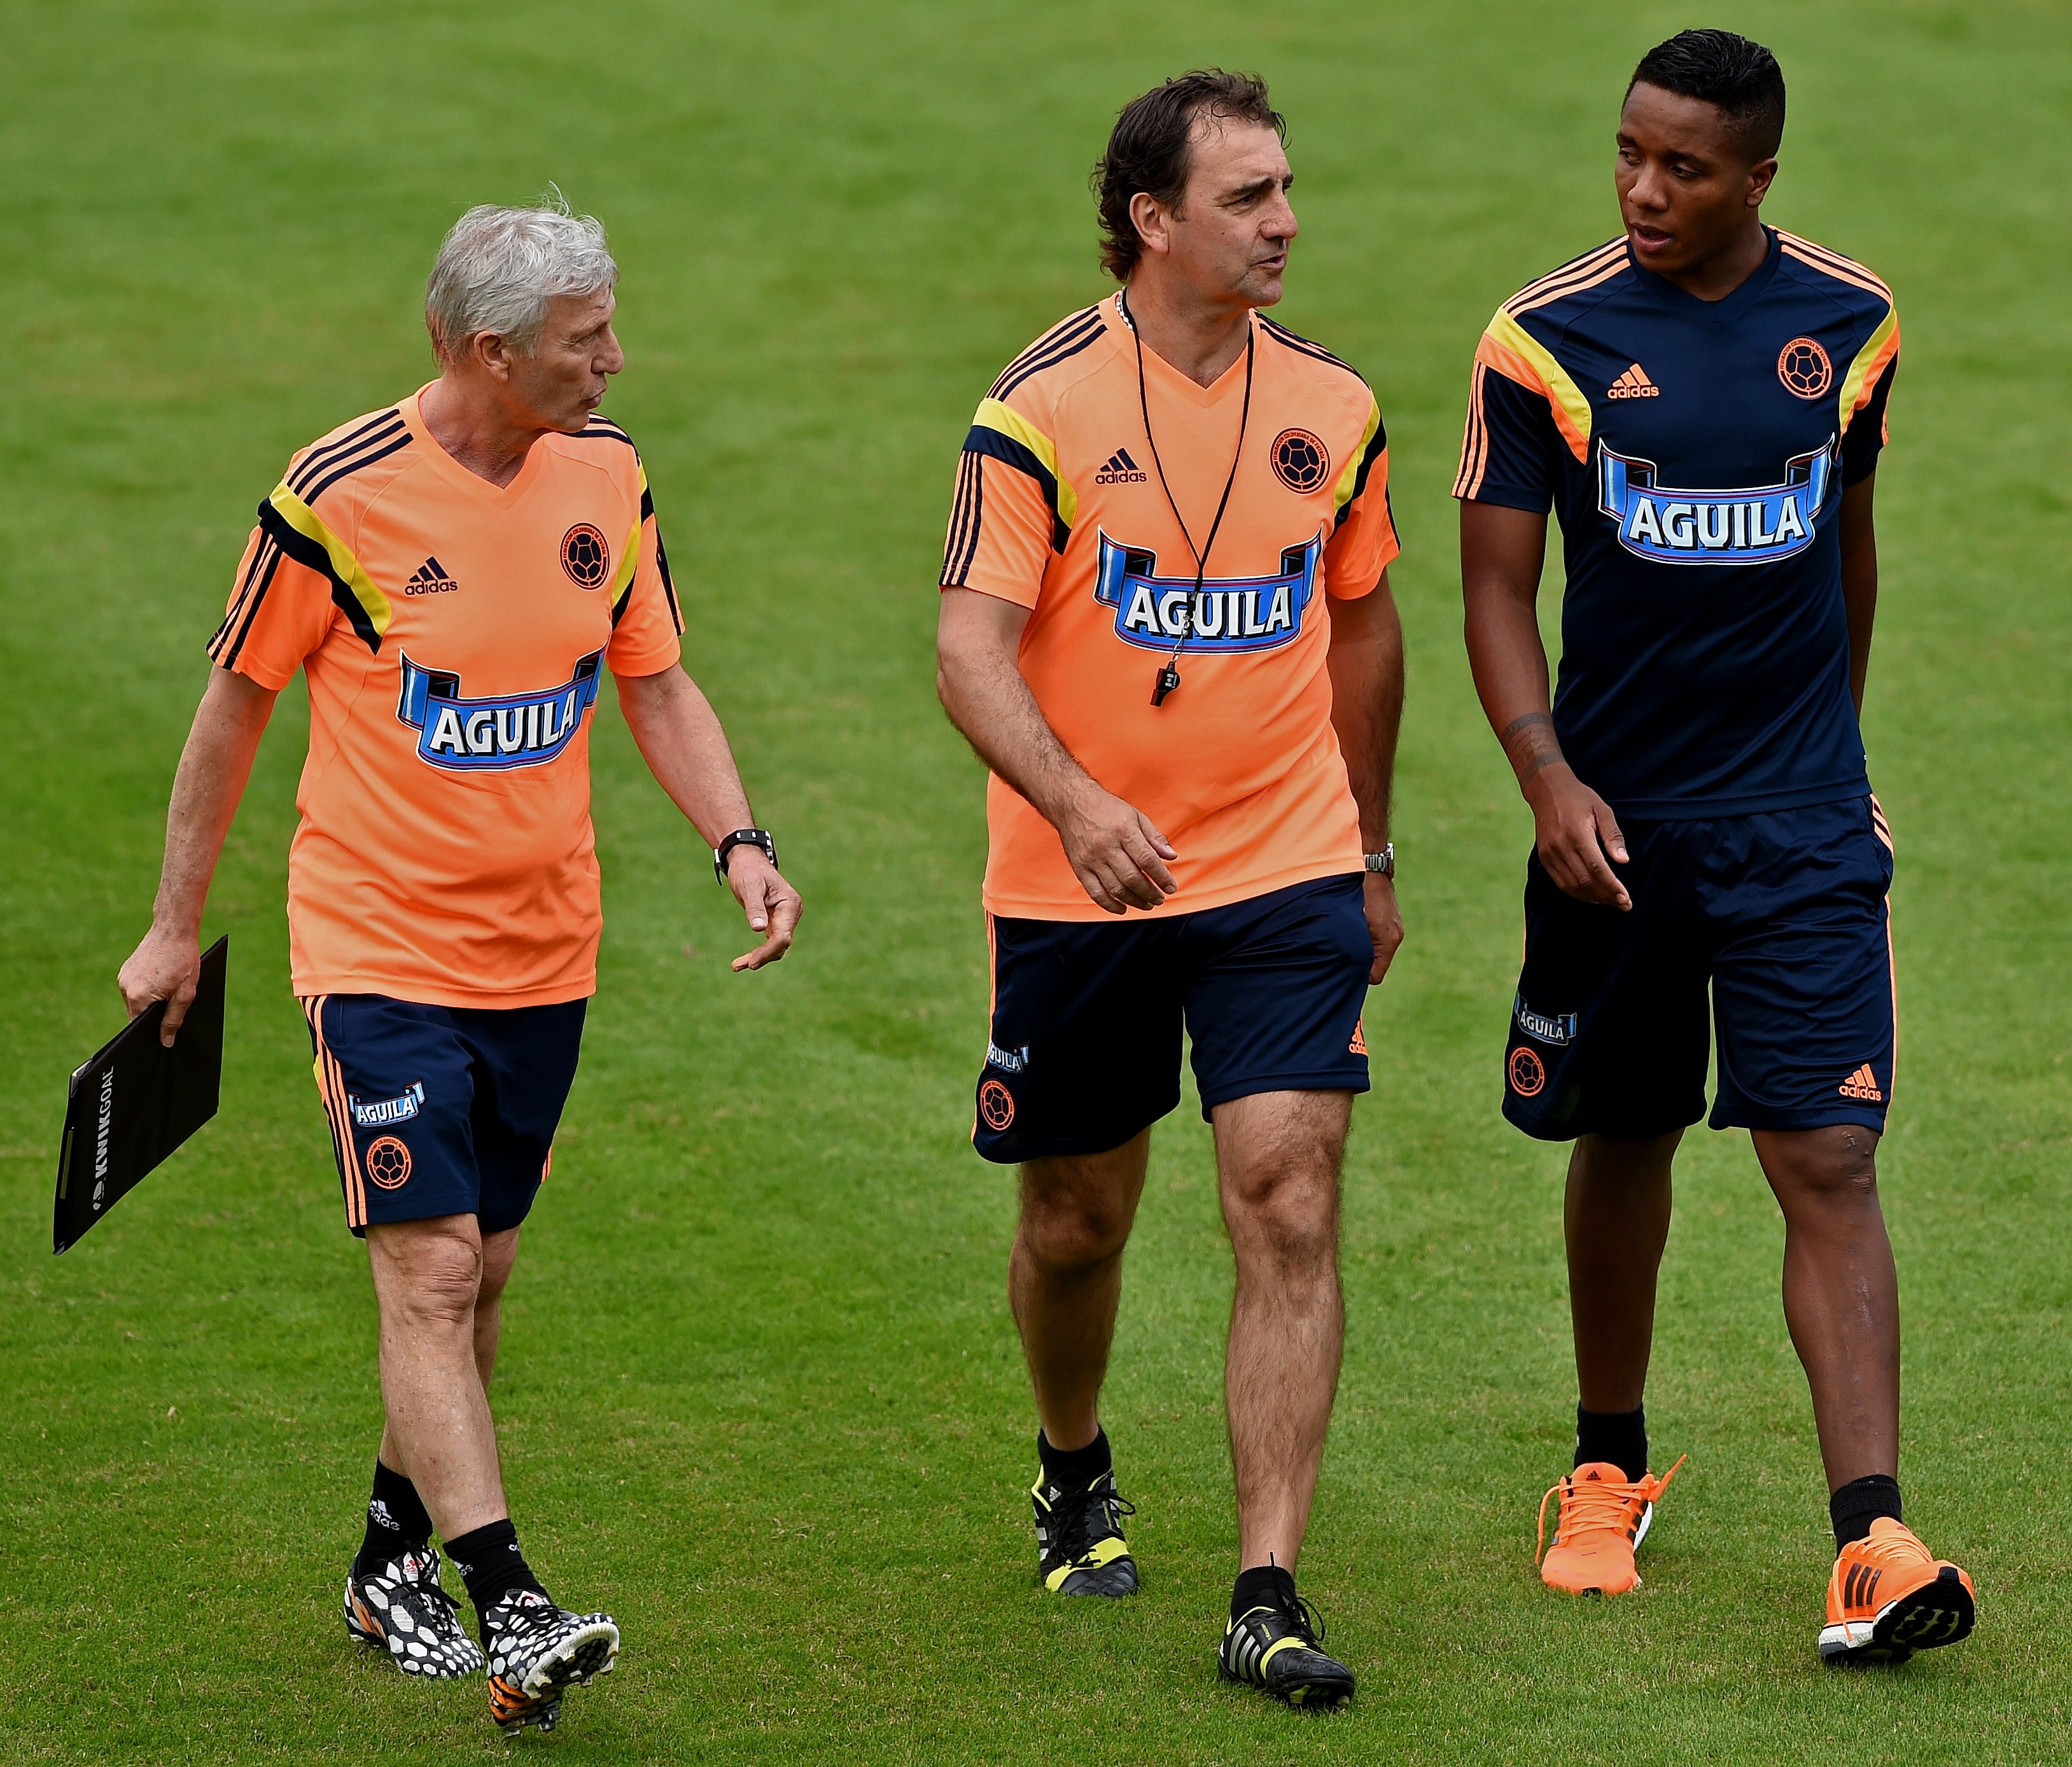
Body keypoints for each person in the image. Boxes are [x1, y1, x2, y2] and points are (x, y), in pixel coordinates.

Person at [116, 196, 802, 1735]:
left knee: (478, 1279)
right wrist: (173, 925)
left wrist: (737, 839)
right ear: (489, 350)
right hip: (375, 942)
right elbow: (232, 711)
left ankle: (386, 1563)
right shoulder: (335, 497)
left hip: (545, 952)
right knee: (425, 1269)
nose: (617, 361)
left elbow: (656, 678)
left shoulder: (605, 480)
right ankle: (511, 1604)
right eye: (588, 340)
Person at [1456, 30, 1973, 1663]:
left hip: (1800, 824)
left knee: (1823, 1155)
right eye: (1626, 152)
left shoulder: (1849, 324)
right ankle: (1603, 1463)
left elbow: (1848, 548)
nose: (1641, 189)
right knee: (1626, 1139)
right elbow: (1489, 588)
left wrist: (1835, 754)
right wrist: (1543, 778)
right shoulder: (1541, 338)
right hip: (1609, 826)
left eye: (1682, 166)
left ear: (1758, 177)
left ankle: (1870, 1539)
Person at [935, 71, 1404, 1708]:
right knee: (1075, 1223)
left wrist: (1369, 848)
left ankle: (1263, 1585)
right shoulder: (1038, 409)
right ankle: (1071, 1462)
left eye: (1285, 191)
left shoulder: (1332, 410)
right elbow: (965, 650)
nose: (1284, 222)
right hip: (1084, 883)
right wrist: (1071, 801)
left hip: (1279, 862)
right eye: (1245, 198)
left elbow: (1359, 625)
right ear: (1152, 219)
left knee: (1288, 1189)